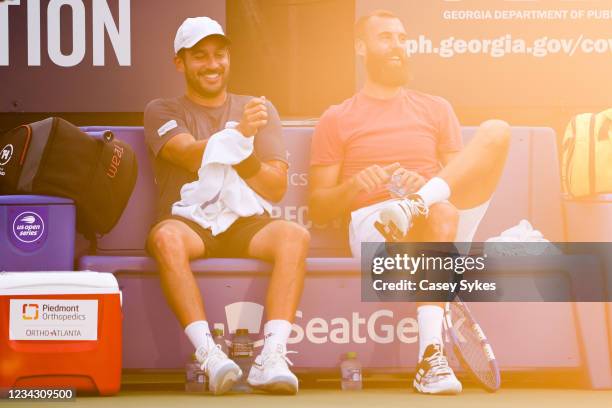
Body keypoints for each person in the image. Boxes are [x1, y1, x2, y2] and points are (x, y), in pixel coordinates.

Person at [308, 10, 510, 394]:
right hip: (378, 227)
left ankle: (416, 202)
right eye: (386, 38)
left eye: (402, 38)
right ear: (361, 48)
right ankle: (431, 359)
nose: (398, 46)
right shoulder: (337, 118)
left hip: (437, 214)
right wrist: (354, 186)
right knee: (440, 210)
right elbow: (318, 207)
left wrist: (428, 187)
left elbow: (460, 177)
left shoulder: (436, 108)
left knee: (497, 132)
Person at [144, 16, 309, 395]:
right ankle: (210, 355)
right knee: (166, 239)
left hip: (243, 221)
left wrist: (244, 148)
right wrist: (241, 135)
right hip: (189, 223)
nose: (213, 64)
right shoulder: (161, 110)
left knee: (294, 236)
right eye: (199, 56)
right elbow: (187, 155)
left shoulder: (256, 107)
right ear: (179, 63)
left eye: (219, 55)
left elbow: (275, 186)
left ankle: (273, 357)